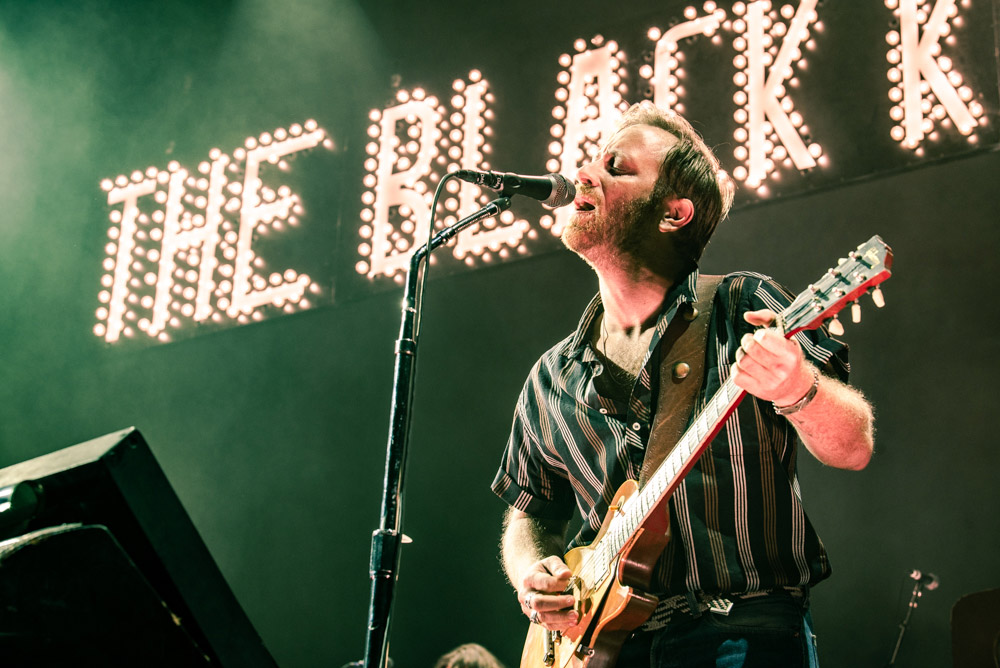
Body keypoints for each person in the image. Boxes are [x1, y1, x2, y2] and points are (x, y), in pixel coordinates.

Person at [491, 101, 874, 667]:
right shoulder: (551, 376)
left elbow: (854, 445)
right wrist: (532, 576)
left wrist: (797, 387)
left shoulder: (741, 307)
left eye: (617, 168)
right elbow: (531, 514)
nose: (584, 175)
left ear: (673, 214)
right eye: (593, 160)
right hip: (603, 650)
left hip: (742, 631)